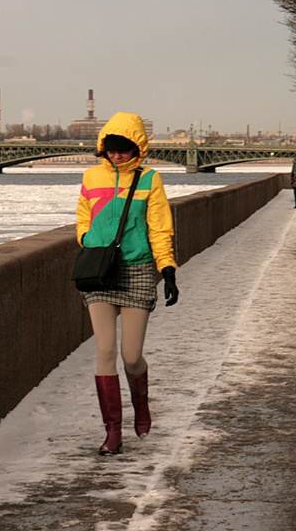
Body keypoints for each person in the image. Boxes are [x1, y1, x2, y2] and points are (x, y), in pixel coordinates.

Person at [76, 112, 179, 455]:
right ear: (103, 148)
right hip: (100, 272)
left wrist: (168, 269)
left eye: (124, 150)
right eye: (111, 150)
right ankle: (113, 432)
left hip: (136, 270)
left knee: (131, 356)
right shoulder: (91, 176)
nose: (116, 156)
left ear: (137, 148)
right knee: (104, 351)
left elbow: (159, 227)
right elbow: (82, 215)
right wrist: (87, 238)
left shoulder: (150, 179)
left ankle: (142, 403)